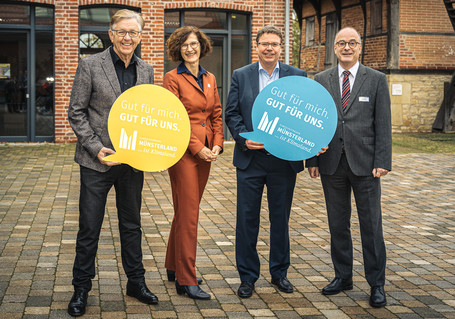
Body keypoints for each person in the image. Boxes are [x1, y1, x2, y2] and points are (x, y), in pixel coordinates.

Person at [67, 9, 158, 316]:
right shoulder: (90, 64)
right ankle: (81, 288)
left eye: (133, 32)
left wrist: (155, 152)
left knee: (131, 226)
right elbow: (76, 112)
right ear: (111, 34)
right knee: (89, 227)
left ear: (141, 36)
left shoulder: (146, 70)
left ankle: (136, 281)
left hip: (132, 163)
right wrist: (95, 148)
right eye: (122, 32)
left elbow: (150, 118)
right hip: (97, 162)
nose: (127, 37)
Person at [306, 27, 392, 308]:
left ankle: (376, 284)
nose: (346, 47)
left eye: (351, 43)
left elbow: (383, 124)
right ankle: (342, 276)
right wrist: (312, 159)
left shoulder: (376, 79)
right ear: (334, 48)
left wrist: (382, 161)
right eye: (341, 43)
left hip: (366, 165)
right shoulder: (321, 80)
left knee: (371, 226)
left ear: (359, 47)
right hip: (332, 164)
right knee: (337, 225)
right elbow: (314, 122)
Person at [224, 25, 307, 298]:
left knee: (280, 220)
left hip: (283, 162)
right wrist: (242, 138)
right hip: (250, 160)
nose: (269, 48)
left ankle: (279, 273)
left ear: (281, 47)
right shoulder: (241, 75)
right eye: (264, 44)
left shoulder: (298, 76)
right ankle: (247, 277)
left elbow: (305, 117)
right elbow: (232, 114)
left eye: (274, 44)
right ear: (256, 47)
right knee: (247, 220)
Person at [163, 26, 224, 300]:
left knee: (187, 210)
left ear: (202, 46)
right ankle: (186, 280)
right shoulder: (172, 78)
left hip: (208, 153)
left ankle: (173, 265)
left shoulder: (210, 78)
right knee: (189, 216)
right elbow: (175, 120)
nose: (190, 48)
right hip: (183, 153)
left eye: (194, 44)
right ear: (179, 49)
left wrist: (218, 145)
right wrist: (198, 148)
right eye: (185, 45)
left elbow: (216, 115)